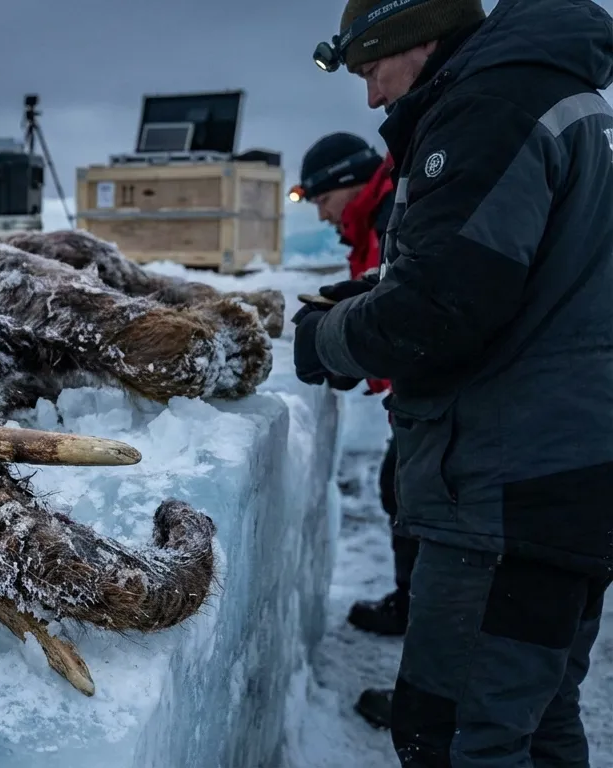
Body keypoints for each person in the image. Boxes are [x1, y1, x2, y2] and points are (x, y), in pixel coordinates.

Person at [298, 0, 613, 763]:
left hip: (508, 488)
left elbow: (442, 308)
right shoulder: (558, 94)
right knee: (534, 721)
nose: (373, 97)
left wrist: (326, 340)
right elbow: (509, 269)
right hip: (568, 473)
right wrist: (378, 292)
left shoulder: (489, 104)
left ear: (420, 37)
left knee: (458, 733)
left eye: (373, 70)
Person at [292, 131, 411, 729]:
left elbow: (418, 306)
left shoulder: (390, 208)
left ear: (346, 184)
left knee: (420, 505)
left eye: (320, 198)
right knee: (403, 490)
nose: (320, 212)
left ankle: (437, 694)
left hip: (449, 405)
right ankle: (410, 606)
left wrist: (344, 347)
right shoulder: (377, 215)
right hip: (420, 400)